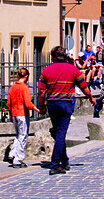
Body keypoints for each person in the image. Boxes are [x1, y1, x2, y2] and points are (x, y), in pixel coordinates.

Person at [38, 46, 94, 175]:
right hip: (65, 104)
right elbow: (83, 86)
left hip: (52, 103)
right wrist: (91, 97)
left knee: (58, 132)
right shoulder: (73, 70)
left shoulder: (46, 70)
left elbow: (41, 91)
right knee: (61, 134)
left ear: (53, 57)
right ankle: (55, 164)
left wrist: (41, 105)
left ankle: (65, 161)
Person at [6, 67, 37, 168]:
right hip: (22, 113)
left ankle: (12, 154)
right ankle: (18, 159)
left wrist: (10, 114)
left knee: (18, 135)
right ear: (26, 76)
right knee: (23, 136)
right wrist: (36, 108)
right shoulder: (24, 87)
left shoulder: (12, 87)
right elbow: (28, 103)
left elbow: (8, 103)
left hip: (14, 113)